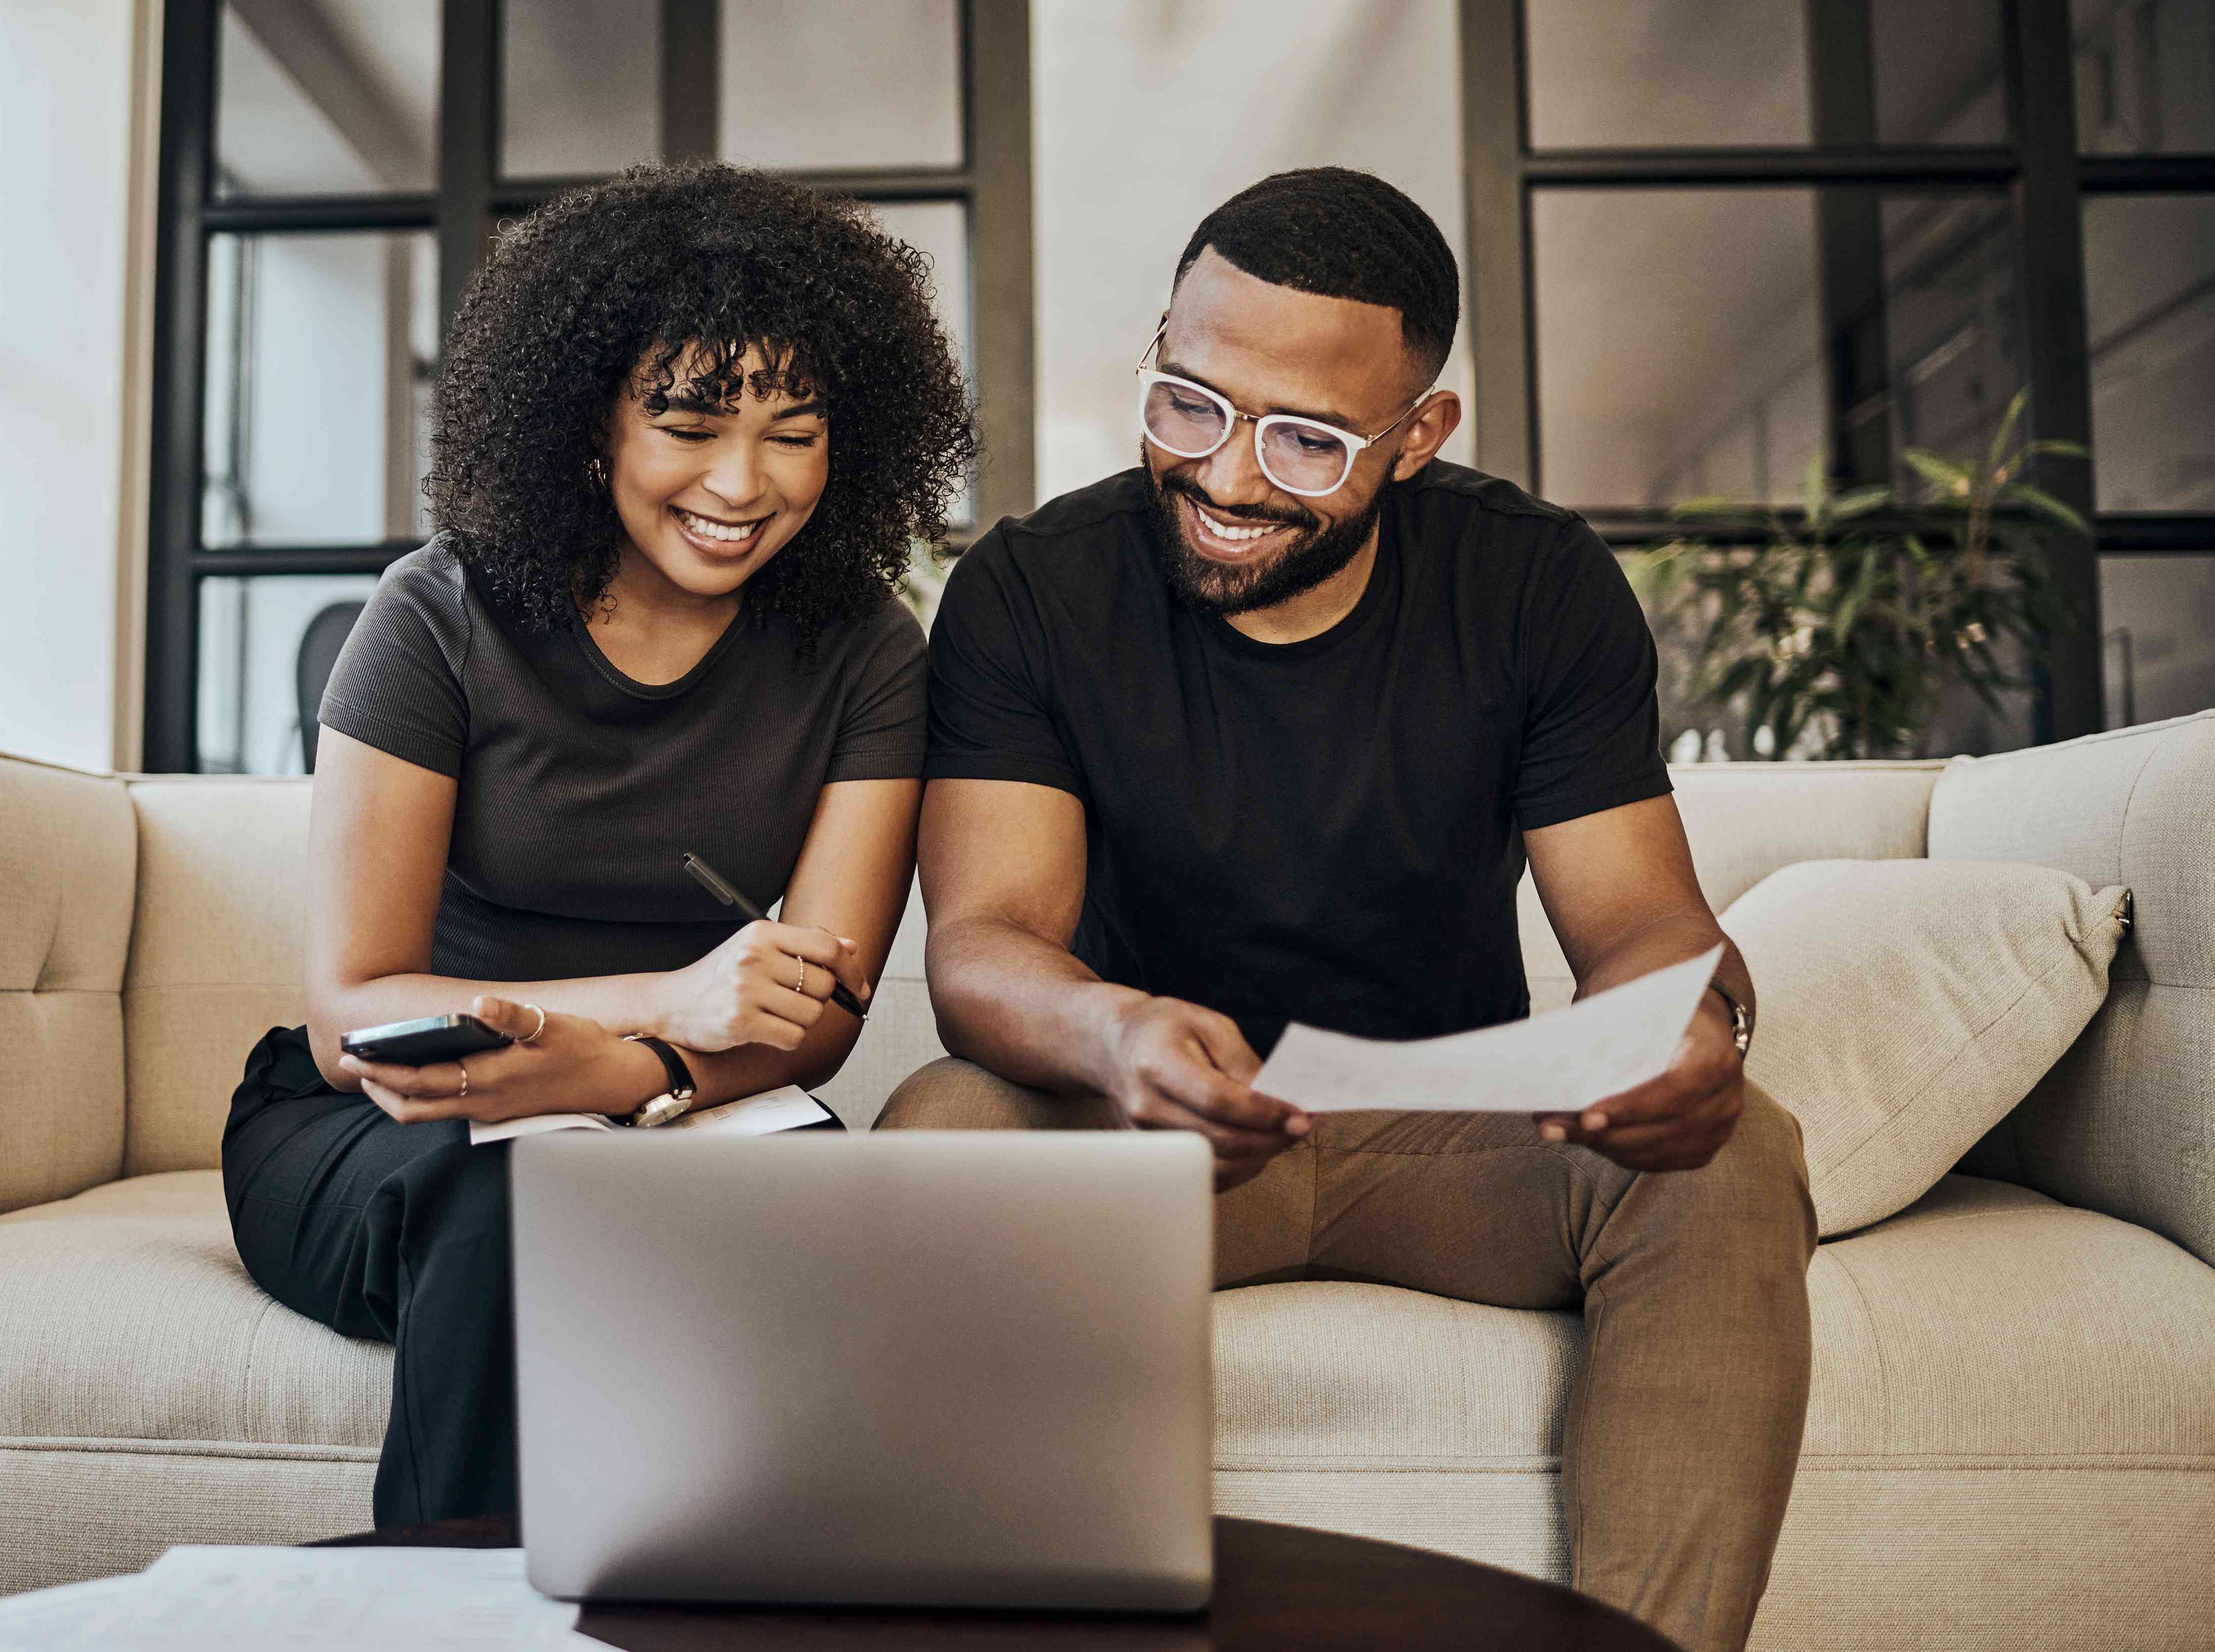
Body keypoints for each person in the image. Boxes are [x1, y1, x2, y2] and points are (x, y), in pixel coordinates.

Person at [877, 167, 1813, 1652]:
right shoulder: (1033, 590)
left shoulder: (1533, 584)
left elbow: (1640, 920)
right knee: (940, 1125)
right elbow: (983, 942)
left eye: (1307, 441)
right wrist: (1114, 1034)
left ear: (1418, 433)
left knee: (1733, 1149)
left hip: (1451, 1138)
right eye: (1189, 404)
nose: (1232, 479)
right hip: (1146, 1133)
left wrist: (1692, 1021)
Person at [224, 163, 975, 1526]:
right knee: (528, 1193)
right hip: (394, 1122)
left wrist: (633, 1072)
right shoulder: (435, 616)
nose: (741, 484)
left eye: (794, 432)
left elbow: (815, 1019)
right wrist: (660, 1005)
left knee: (821, 1236)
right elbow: (354, 1015)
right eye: (688, 424)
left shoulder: (867, 648)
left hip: (698, 1106)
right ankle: (453, 1619)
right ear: (589, 430)